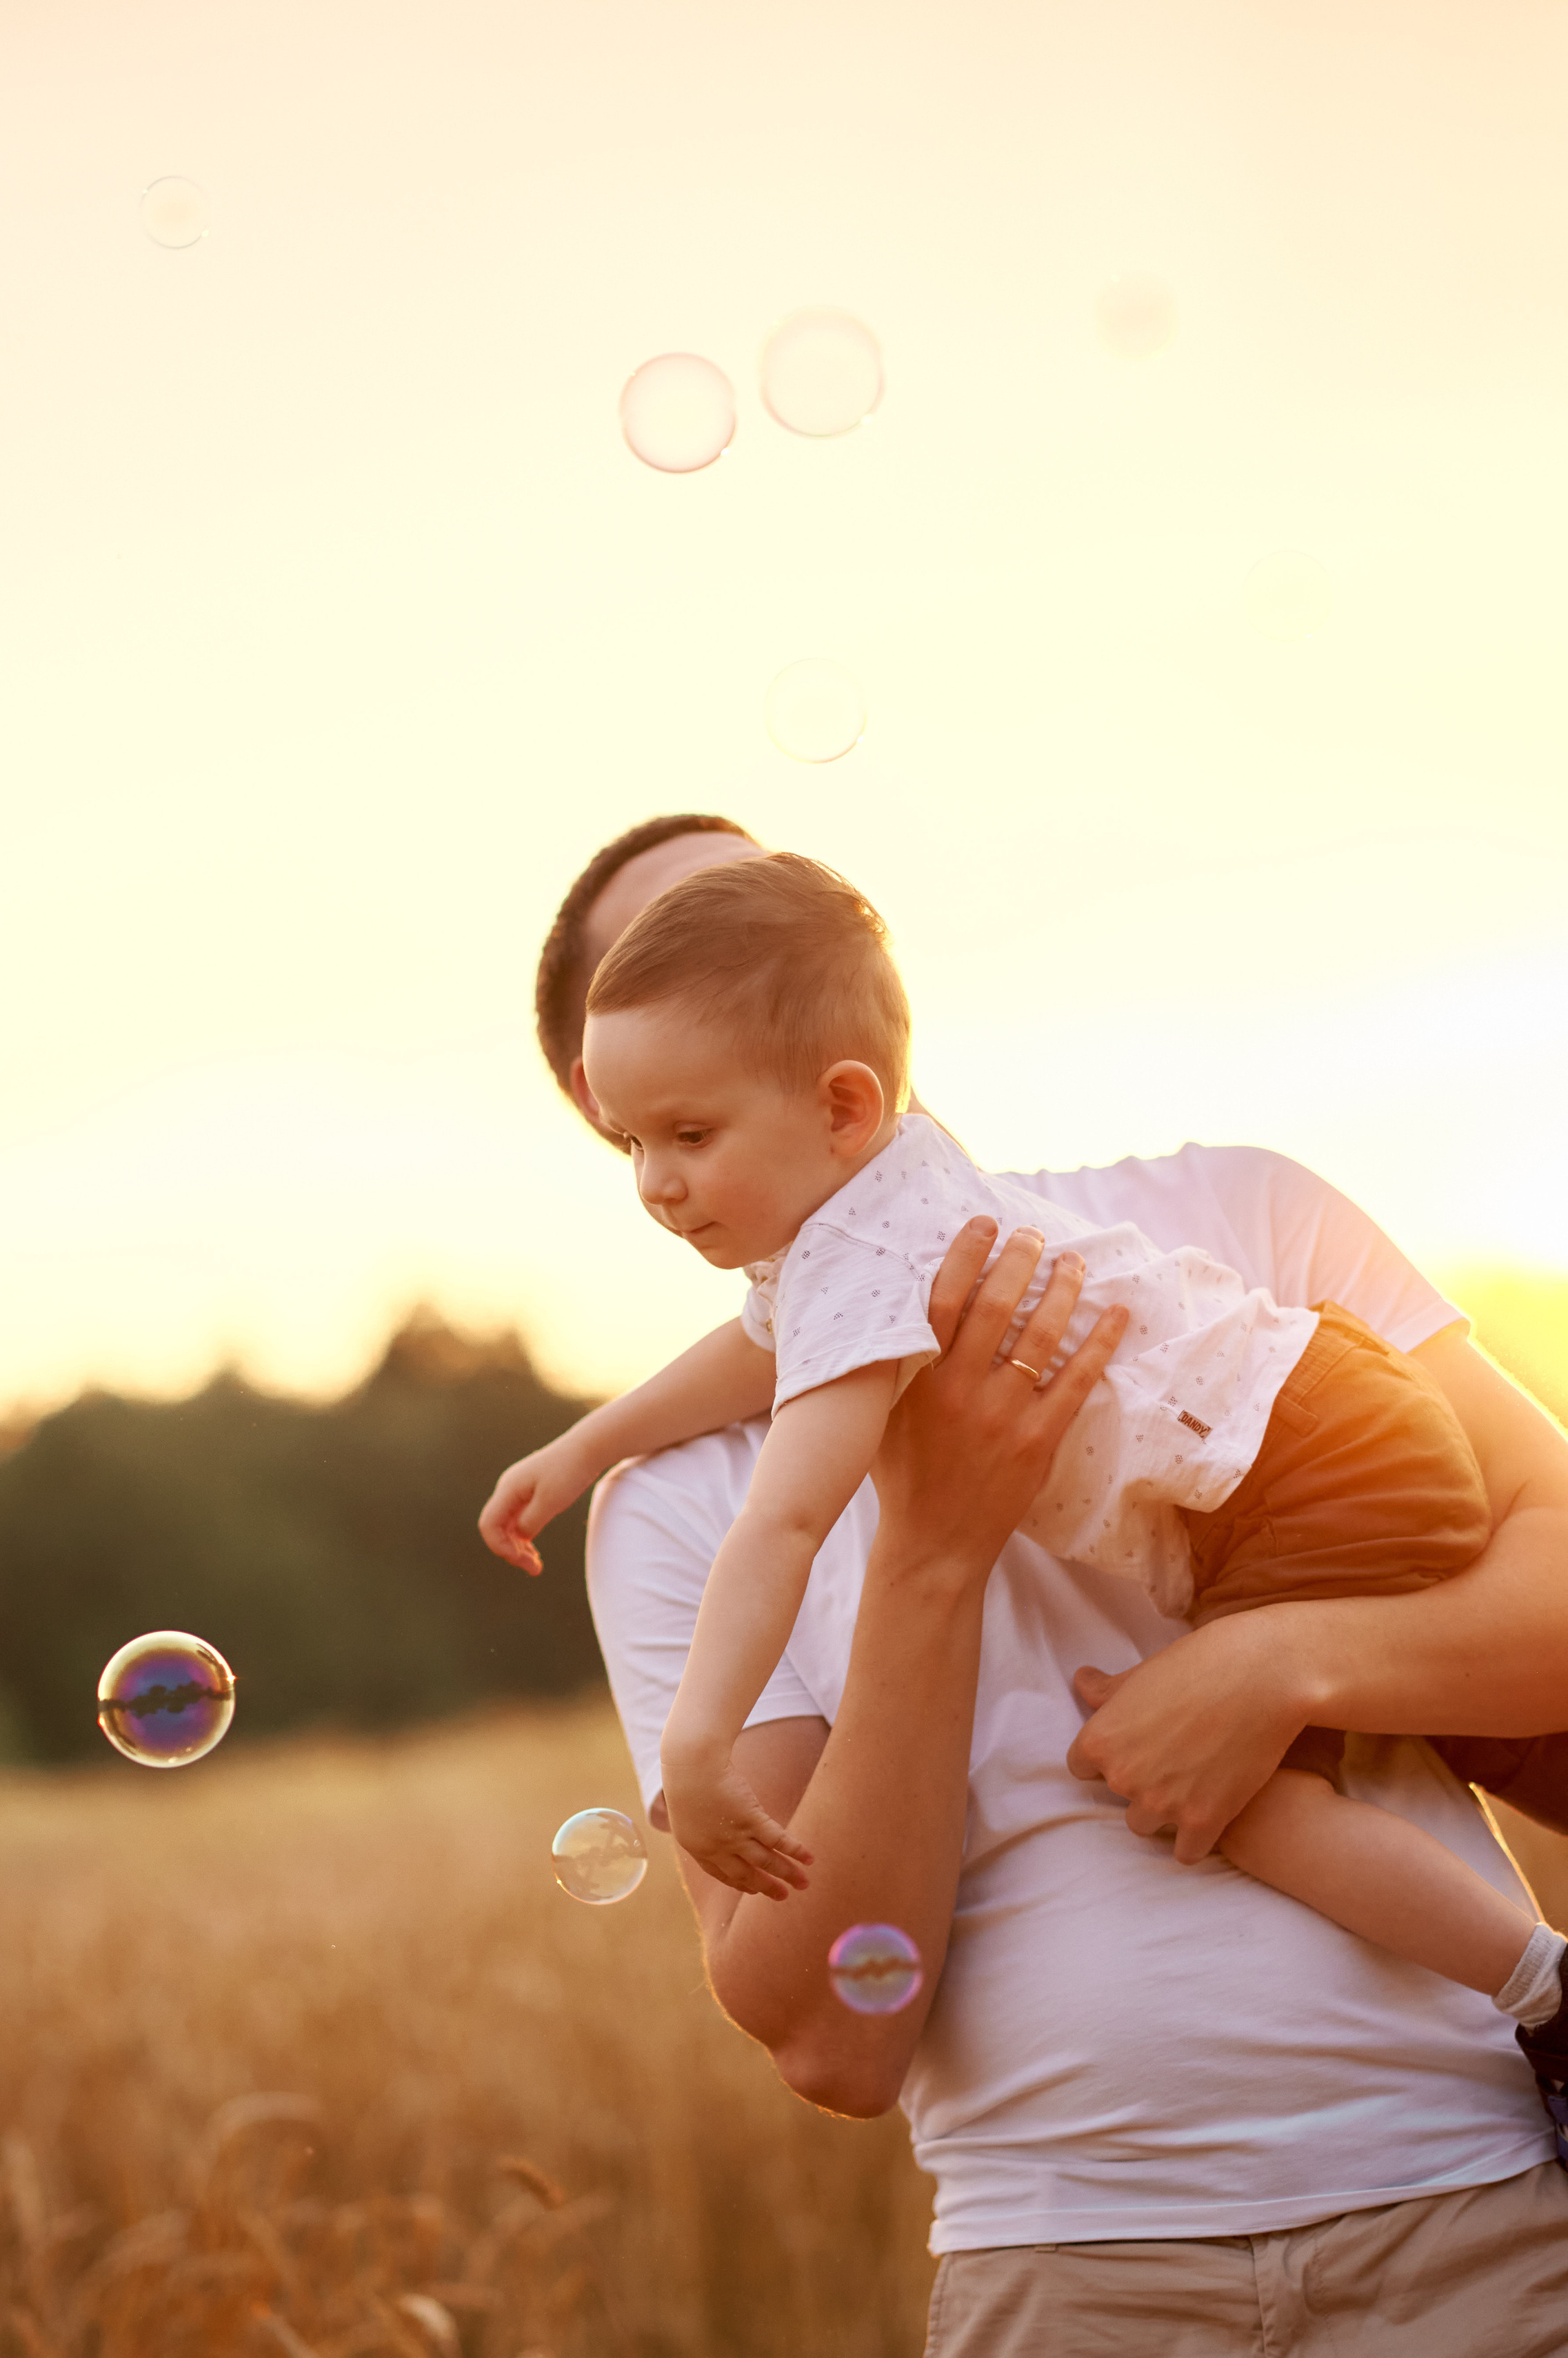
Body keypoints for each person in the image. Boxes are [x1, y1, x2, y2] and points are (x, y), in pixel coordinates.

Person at [523, 813, 1568, 2358]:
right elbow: (824, 2033)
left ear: (834, 1060)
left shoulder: (1234, 1212)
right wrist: (926, 1559)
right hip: (1082, 2356)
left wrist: (1283, 1670)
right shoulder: (694, 1487)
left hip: (1488, 2227)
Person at [488, 845, 1568, 2103]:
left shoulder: (1190, 1208)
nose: (655, 1181)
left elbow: (786, 1516)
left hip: (1311, 1466)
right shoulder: (887, 1194)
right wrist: (591, 1442)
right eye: (634, 1137)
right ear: (591, 1081)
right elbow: (755, 1344)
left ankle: (1546, 1993)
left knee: (1254, 1799)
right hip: (1324, 1414)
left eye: (686, 1131)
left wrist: (699, 1744)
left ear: (840, 1095)